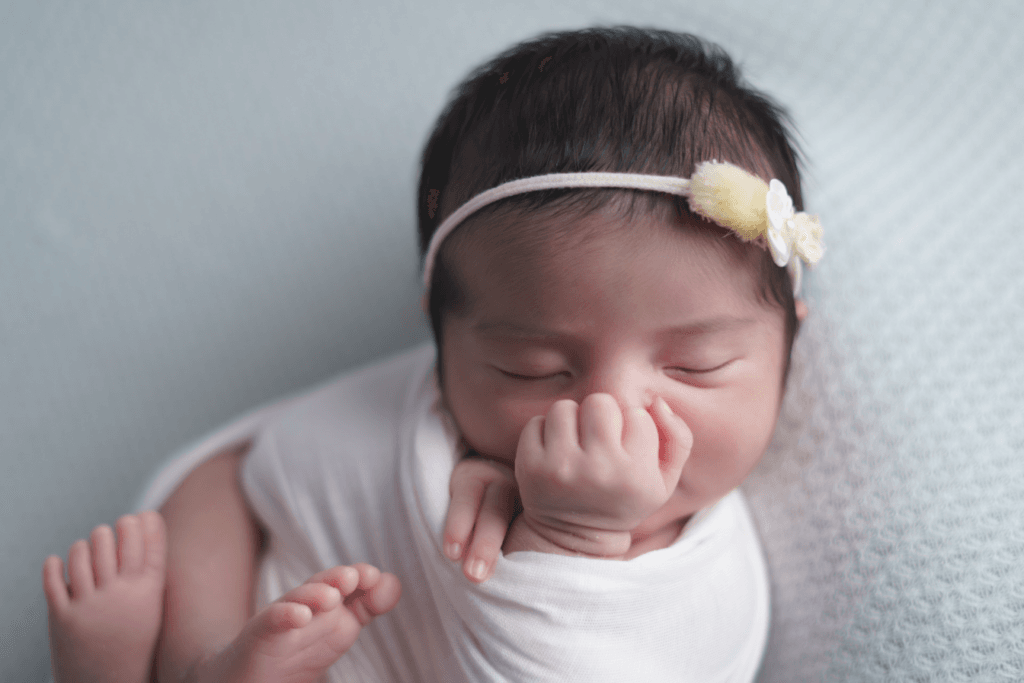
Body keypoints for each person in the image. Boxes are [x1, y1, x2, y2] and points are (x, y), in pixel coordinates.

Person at [42, 26, 823, 682]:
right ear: (442, 336)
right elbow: (262, 466)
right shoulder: (435, 412)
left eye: (695, 366)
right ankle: (194, 660)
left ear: (790, 336)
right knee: (217, 483)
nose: (606, 409)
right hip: (262, 590)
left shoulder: (705, 587)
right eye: (534, 367)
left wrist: (569, 539)